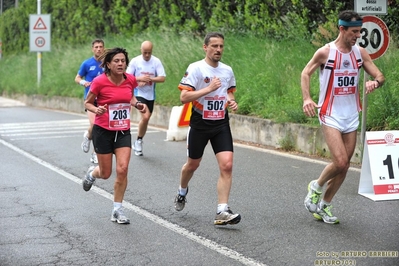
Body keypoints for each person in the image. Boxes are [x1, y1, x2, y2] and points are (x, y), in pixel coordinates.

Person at [301, 10, 385, 224]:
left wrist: (374, 82)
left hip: (351, 114)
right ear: (342, 29)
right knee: (339, 160)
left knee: (345, 164)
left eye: (360, 31)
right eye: (354, 32)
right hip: (330, 113)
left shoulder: (360, 53)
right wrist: (307, 99)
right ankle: (316, 186)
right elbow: (306, 72)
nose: (358, 36)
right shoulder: (325, 52)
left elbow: (380, 75)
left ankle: (325, 205)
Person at [174, 32, 241, 226]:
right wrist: (208, 89)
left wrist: (232, 102)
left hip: (220, 123)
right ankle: (182, 191)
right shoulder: (196, 68)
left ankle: (222, 210)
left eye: (221, 46)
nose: (218, 50)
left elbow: (228, 93)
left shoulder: (227, 70)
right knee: (192, 165)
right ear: (205, 47)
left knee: (227, 165)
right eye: (214, 46)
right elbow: (184, 97)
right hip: (199, 124)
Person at [82, 47, 147, 224]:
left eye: (123, 61)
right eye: (116, 61)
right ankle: (92, 174)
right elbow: (87, 103)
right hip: (103, 131)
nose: (120, 64)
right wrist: (97, 109)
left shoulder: (130, 80)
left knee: (123, 169)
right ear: (108, 64)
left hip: (123, 131)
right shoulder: (99, 82)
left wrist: (137, 104)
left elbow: (130, 97)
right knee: (105, 173)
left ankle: (117, 210)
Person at [126, 41, 166, 156]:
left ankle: (138, 140)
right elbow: (127, 78)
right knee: (146, 115)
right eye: (145, 53)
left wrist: (150, 80)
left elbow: (162, 78)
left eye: (149, 53)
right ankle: (138, 142)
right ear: (141, 50)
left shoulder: (156, 61)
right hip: (138, 93)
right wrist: (139, 79)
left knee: (146, 119)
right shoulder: (135, 61)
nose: (147, 55)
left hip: (150, 95)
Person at [75, 39, 105, 164]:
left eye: (101, 47)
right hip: (91, 99)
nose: (99, 49)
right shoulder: (87, 64)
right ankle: (89, 138)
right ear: (92, 49)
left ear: (103, 48)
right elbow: (77, 78)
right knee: (94, 125)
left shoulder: (107, 63)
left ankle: (93, 147)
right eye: (96, 47)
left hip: (104, 99)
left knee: (102, 128)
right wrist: (84, 82)